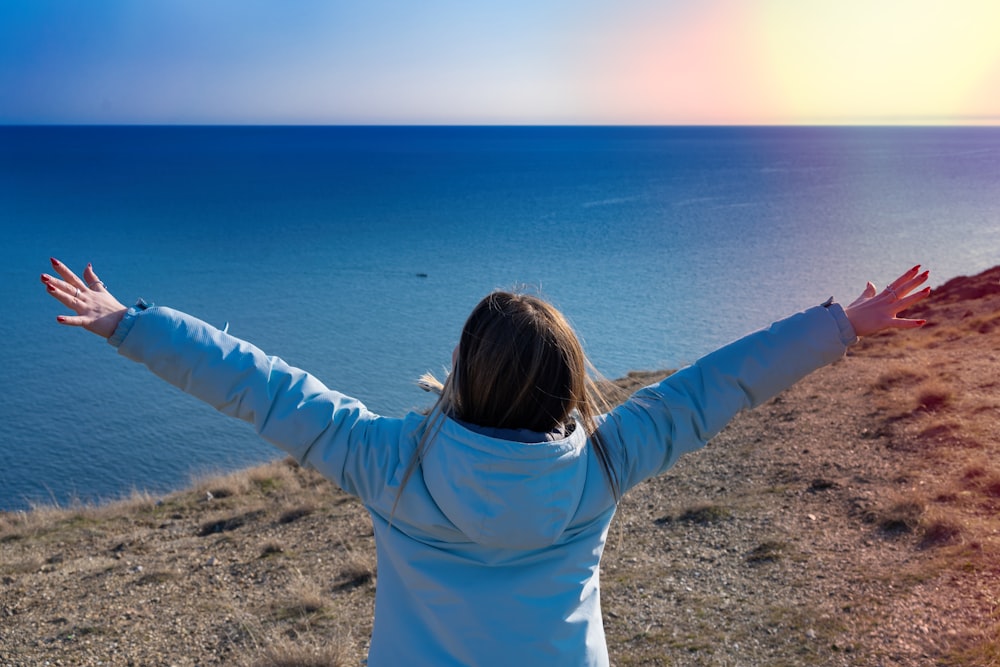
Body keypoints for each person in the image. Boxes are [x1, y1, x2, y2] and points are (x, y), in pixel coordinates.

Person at [41, 258, 929, 667]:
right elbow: (713, 388)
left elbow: (265, 387)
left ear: (461, 372)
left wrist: (131, 323)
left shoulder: (386, 461)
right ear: (571, 382)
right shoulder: (607, 461)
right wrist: (840, 325)